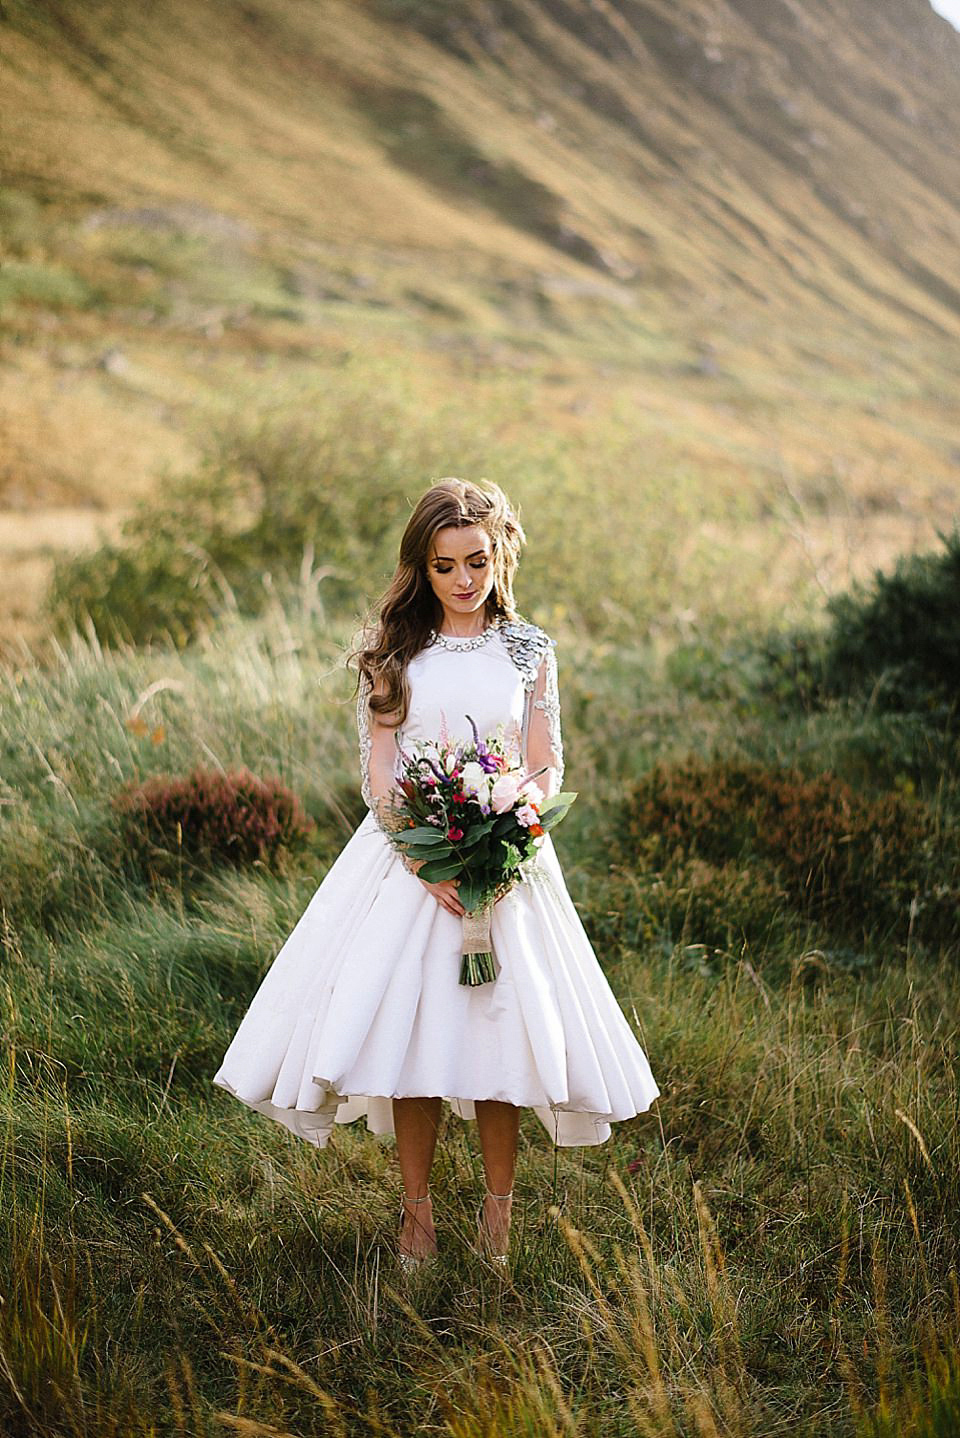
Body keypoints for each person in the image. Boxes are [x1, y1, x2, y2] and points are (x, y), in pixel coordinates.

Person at [212, 478, 660, 1275]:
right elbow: (381, 773)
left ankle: (498, 1220)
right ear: (423, 566)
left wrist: (514, 820)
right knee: (409, 1038)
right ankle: (415, 1218)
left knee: (498, 1040)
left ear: (501, 556)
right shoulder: (397, 651)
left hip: (507, 866)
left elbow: (546, 762)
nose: (463, 579)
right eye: (445, 564)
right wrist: (425, 857)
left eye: (477, 561)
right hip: (411, 865)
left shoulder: (529, 651)